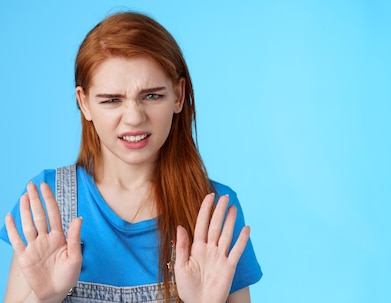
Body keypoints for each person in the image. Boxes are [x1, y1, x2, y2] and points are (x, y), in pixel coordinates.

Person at [0, 11, 262, 303]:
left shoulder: (214, 213)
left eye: (152, 96)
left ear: (178, 95)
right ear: (83, 103)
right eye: (112, 100)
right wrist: (45, 298)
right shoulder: (47, 201)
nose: (134, 118)